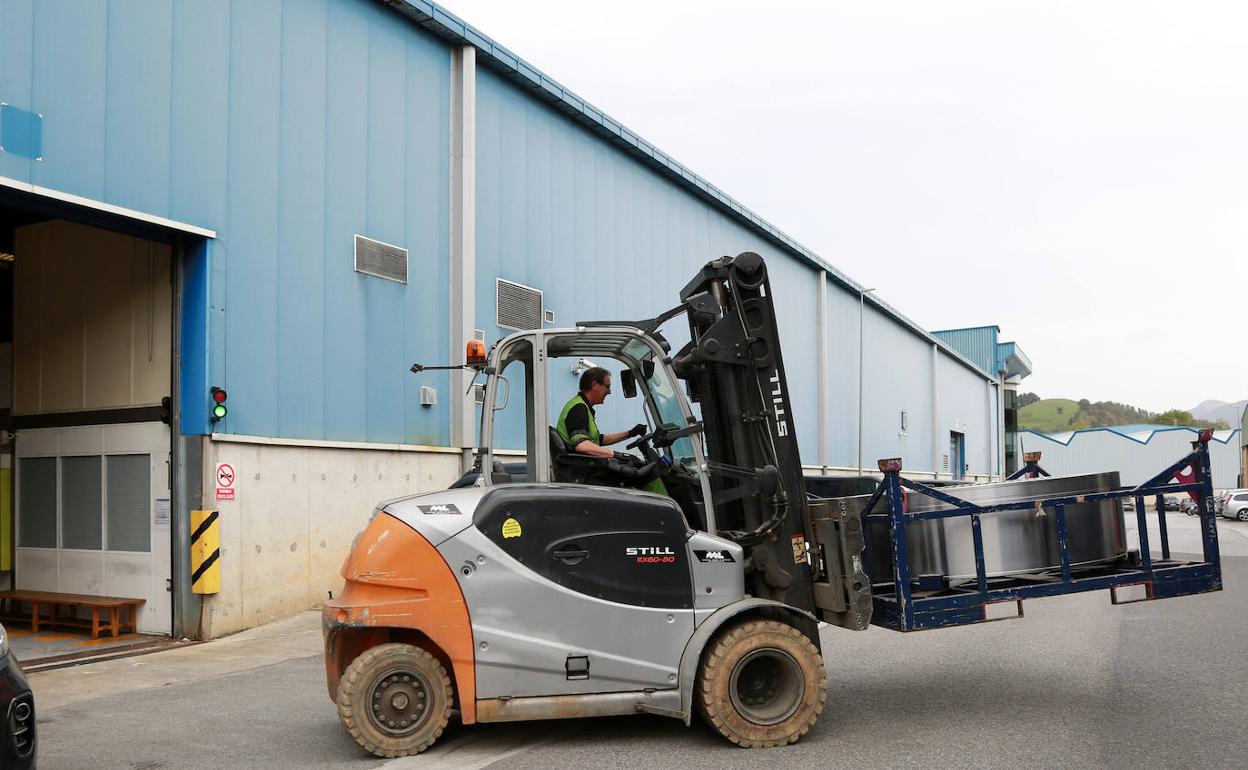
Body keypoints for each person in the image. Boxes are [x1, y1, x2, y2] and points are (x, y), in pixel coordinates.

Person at [556, 367, 665, 493]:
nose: (610, 392)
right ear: (595, 385)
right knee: (648, 473)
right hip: (585, 471)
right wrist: (616, 455)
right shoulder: (579, 408)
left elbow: (597, 440)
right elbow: (582, 446)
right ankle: (663, 506)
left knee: (637, 468)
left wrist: (630, 433)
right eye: (607, 386)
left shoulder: (582, 405)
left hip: (586, 466)